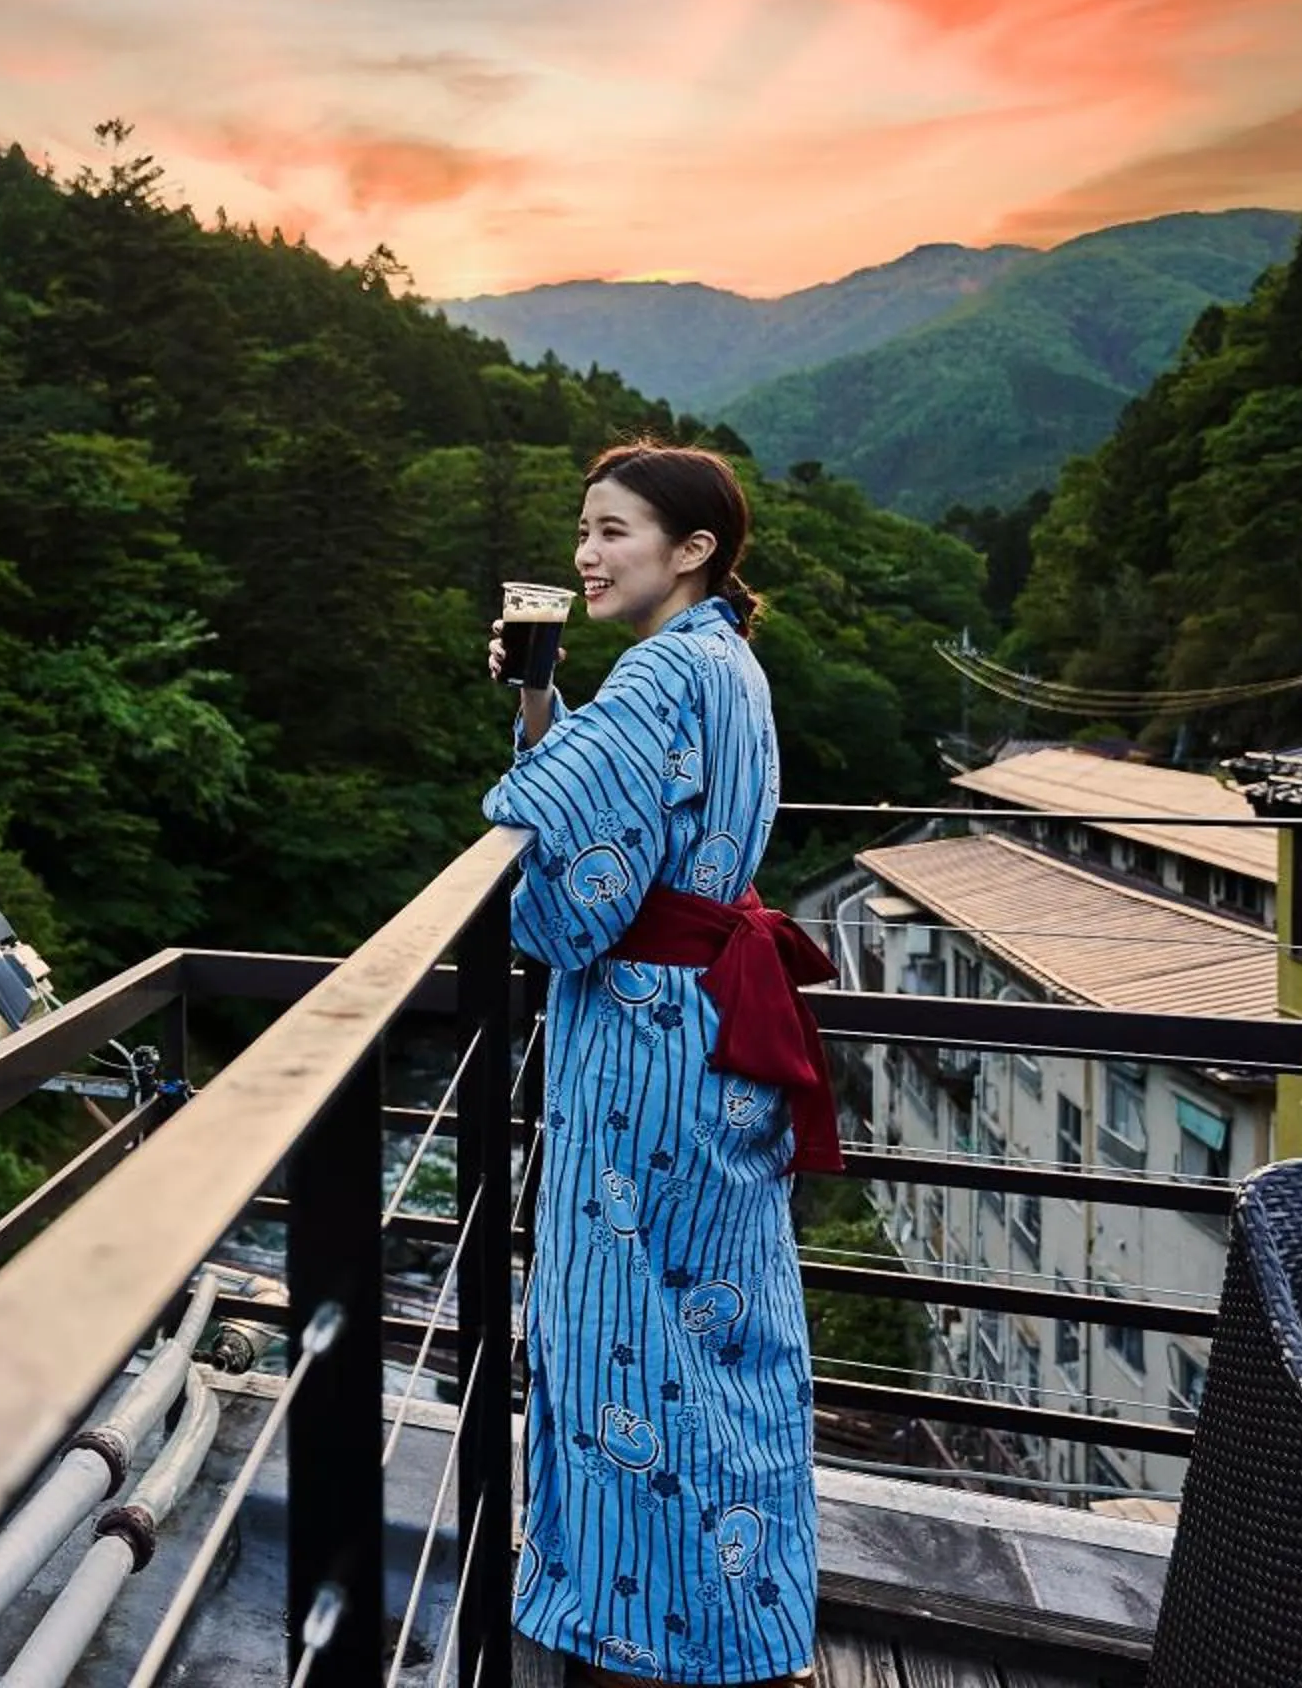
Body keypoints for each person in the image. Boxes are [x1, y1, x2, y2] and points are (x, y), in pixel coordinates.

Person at [482, 442, 833, 1688]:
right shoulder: (723, 660)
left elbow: (572, 903)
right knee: (721, 1333)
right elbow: (642, 814)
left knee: (620, 1328)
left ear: (691, 550)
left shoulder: (655, 675)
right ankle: (751, 1612)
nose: (587, 552)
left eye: (616, 530)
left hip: (646, 1047)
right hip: (716, 1035)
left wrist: (541, 749)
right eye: (584, 528)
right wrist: (541, 701)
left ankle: (645, 1628)